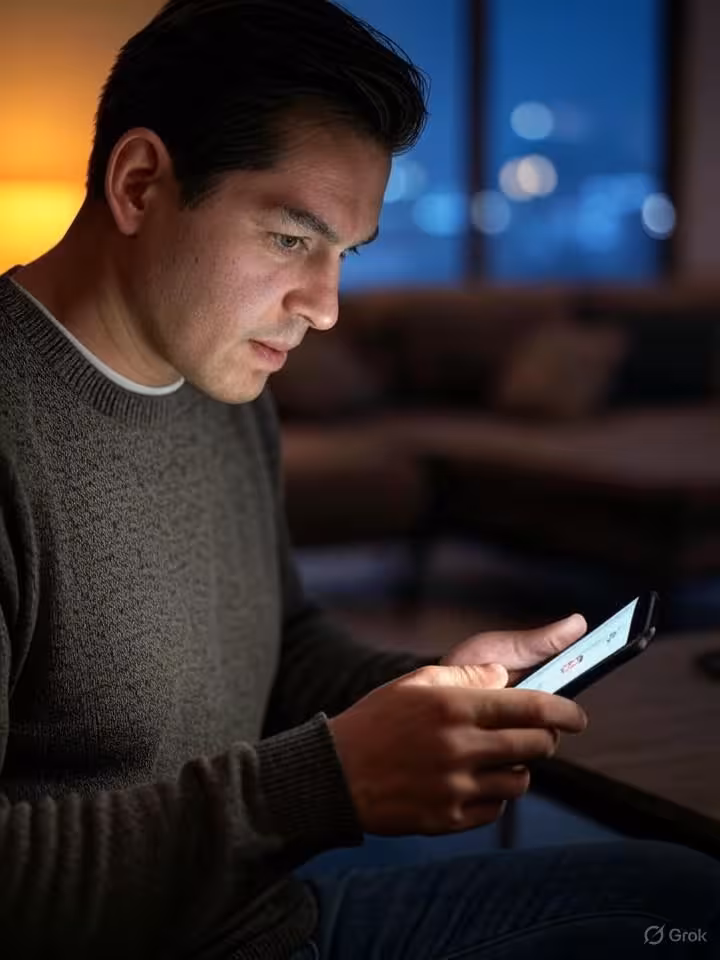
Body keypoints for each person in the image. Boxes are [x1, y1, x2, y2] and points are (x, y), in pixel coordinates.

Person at [0, 0, 717, 957]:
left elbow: (283, 643)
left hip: (266, 910)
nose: (328, 308)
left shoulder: (224, 388)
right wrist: (325, 784)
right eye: (291, 239)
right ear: (139, 184)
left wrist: (428, 694)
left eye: (345, 253)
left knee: (687, 895)